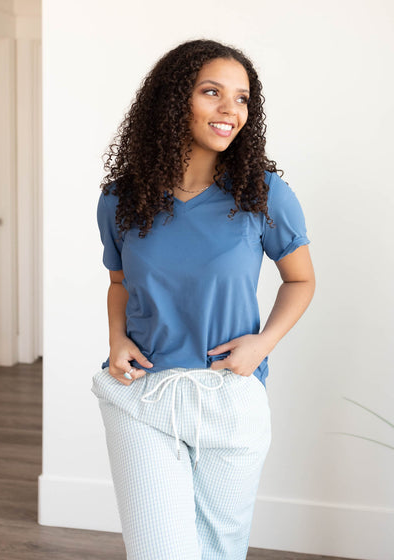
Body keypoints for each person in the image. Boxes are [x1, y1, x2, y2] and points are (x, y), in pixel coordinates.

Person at [91, 38, 315, 560]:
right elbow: (119, 281)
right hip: (142, 394)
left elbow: (301, 281)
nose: (230, 110)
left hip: (229, 396)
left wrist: (262, 345)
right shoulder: (121, 198)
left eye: (242, 99)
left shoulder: (263, 194)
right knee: (158, 550)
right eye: (212, 92)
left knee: (218, 551)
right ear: (174, 100)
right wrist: (116, 337)